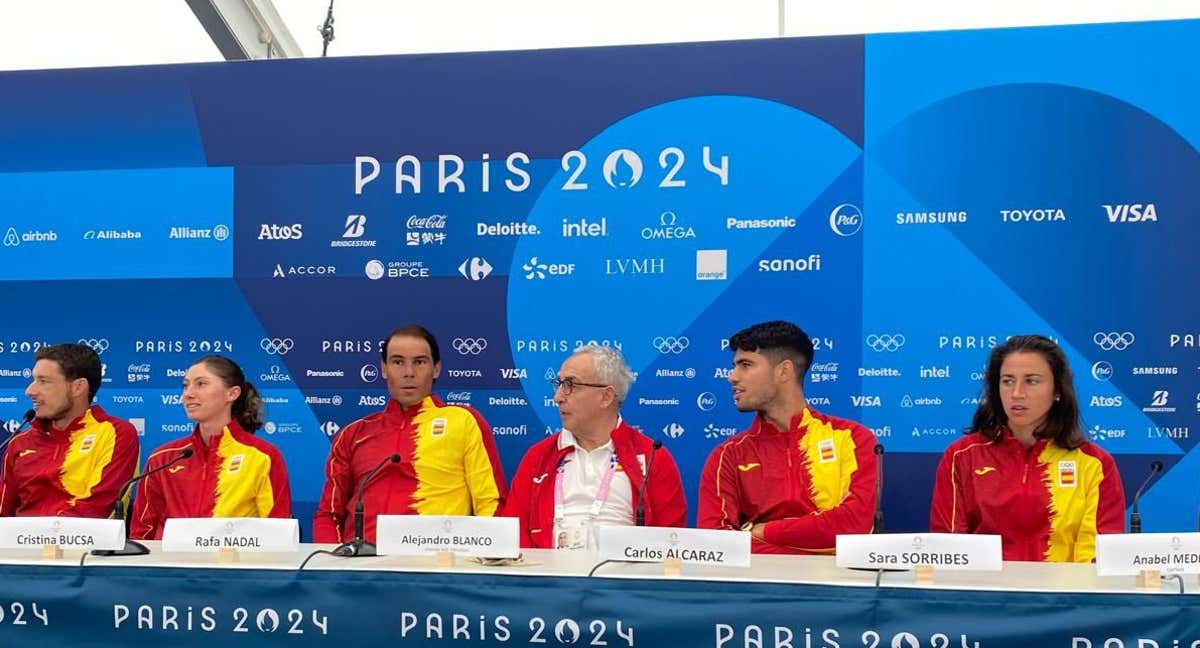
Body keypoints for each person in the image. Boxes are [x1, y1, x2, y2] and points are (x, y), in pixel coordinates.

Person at [930, 335, 1124, 562]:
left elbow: (1097, 560)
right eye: (1007, 381)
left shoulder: (1095, 463)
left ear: (1057, 390)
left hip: (1065, 595)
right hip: (984, 594)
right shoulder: (961, 456)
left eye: (1031, 381)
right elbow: (949, 552)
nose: (1017, 393)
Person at [313, 325, 507, 544]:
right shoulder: (354, 433)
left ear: (436, 369)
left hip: (436, 566)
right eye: (398, 362)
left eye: (420, 362)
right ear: (384, 369)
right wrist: (333, 566)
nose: (408, 372)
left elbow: (491, 503)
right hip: (360, 567)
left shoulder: (464, 421)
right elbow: (329, 514)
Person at [698, 321, 877, 553]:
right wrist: (819, 547)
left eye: (745, 365)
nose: (732, 377)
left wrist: (763, 532)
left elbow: (854, 527)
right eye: (735, 366)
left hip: (839, 586)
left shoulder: (852, 438)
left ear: (784, 371)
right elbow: (716, 545)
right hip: (756, 586)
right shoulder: (728, 455)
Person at [503, 345, 686, 549]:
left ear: (606, 396)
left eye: (571, 385)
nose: (558, 397)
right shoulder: (538, 457)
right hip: (549, 576)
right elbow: (513, 536)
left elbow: (670, 540)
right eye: (559, 384)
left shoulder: (653, 456)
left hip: (624, 578)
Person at [131, 356, 291, 539]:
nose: (188, 394)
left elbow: (277, 535)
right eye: (185, 385)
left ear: (232, 394)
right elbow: (142, 536)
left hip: (237, 565)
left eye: (201, 384)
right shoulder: (162, 458)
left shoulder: (263, 456)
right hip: (171, 566)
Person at [0, 343, 139, 517]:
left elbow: (97, 510)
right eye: (33, 380)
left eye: (43, 381)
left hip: (83, 543)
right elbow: (3, 513)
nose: (30, 391)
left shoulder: (115, 433)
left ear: (78, 387)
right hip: (19, 542)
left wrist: (37, 537)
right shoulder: (19, 443)